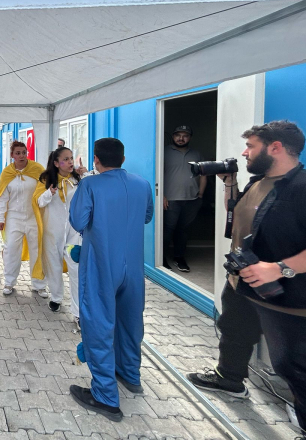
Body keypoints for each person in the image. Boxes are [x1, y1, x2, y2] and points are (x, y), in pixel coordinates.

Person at [186, 121, 306, 432]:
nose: (244, 152)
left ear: (275, 147)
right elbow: (237, 220)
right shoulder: (257, 182)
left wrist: (278, 268)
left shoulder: (301, 188)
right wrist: (229, 184)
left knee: (292, 365)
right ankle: (229, 380)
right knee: (234, 332)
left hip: (283, 297)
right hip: (241, 284)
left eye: (251, 146)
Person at [68, 138, 154, 422]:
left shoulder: (90, 184)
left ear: (96, 159)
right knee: (130, 321)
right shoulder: (142, 184)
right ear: (123, 159)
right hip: (134, 267)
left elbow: (78, 221)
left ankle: (105, 395)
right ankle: (130, 374)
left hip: (101, 264)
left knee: (98, 324)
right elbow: (147, 216)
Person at [0, 141, 49, 297]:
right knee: (11, 249)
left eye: (24, 152)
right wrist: (0, 218)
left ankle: (39, 284)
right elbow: (2, 197)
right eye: (18, 153)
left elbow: (44, 191)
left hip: (34, 217)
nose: (21, 156)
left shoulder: (37, 169)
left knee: (37, 249)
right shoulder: (7, 173)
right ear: (12, 155)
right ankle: (9, 282)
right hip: (13, 217)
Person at [38, 147, 82, 322]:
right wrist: (49, 193)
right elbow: (38, 202)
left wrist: (86, 174)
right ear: (56, 163)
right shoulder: (45, 179)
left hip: (74, 231)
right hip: (52, 230)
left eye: (71, 158)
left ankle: (78, 311)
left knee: (76, 268)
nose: (70, 162)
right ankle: (56, 297)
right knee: (54, 266)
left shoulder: (77, 180)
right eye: (66, 159)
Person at [163, 125, 207, 272]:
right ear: (173, 136)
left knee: (183, 230)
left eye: (185, 136)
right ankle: (161, 259)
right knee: (168, 229)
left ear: (190, 138)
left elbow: (203, 175)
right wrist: (161, 195)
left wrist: (200, 194)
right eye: (178, 135)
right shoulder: (164, 152)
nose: (181, 138)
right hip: (170, 199)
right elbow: (157, 174)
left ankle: (179, 258)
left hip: (192, 199)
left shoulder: (196, 154)